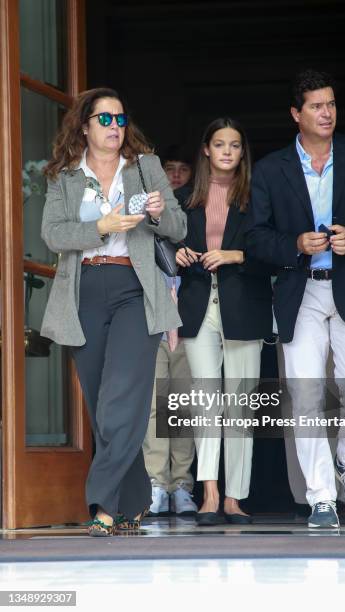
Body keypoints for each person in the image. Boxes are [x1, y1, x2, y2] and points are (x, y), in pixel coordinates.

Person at [245, 69, 345, 528]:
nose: (326, 112)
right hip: (300, 290)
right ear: (296, 114)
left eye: (330, 104)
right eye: (316, 106)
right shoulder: (272, 169)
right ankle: (321, 497)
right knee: (306, 391)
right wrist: (294, 244)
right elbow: (255, 237)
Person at [40, 87, 186, 536]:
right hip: (83, 291)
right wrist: (100, 227)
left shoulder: (145, 168)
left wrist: (160, 212)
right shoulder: (65, 176)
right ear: (84, 125)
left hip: (134, 289)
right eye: (104, 120)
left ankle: (103, 504)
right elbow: (52, 235)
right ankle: (136, 499)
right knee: (103, 406)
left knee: (122, 396)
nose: (114, 128)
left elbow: (178, 227)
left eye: (120, 120)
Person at [176, 118, 274, 526]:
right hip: (199, 303)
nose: (228, 152)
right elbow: (163, 244)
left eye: (235, 145)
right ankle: (209, 493)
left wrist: (237, 256)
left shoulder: (257, 196)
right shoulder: (183, 197)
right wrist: (178, 254)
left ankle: (235, 496)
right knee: (205, 404)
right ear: (206, 150)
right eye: (220, 144)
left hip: (244, 302)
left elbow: (274, 249)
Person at [142, 145, 197, 516]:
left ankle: (182, 485)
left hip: (189, 322)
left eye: (182, 169)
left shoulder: (195, 211)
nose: (175, 176)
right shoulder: (144, 207)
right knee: (153, 407)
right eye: (169, 169)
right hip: (151, 318)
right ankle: (155, 484)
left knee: (183, 407)